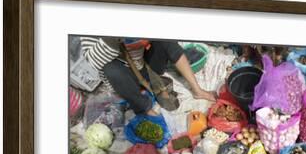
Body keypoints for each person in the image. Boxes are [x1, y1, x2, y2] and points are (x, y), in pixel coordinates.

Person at [79, 36, 215, 116]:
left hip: (144, 65)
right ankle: (146, 108)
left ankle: (197, 90)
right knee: (111, 69)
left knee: (166, 40)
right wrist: (115, 38)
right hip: (124, 78)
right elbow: (94, 61)